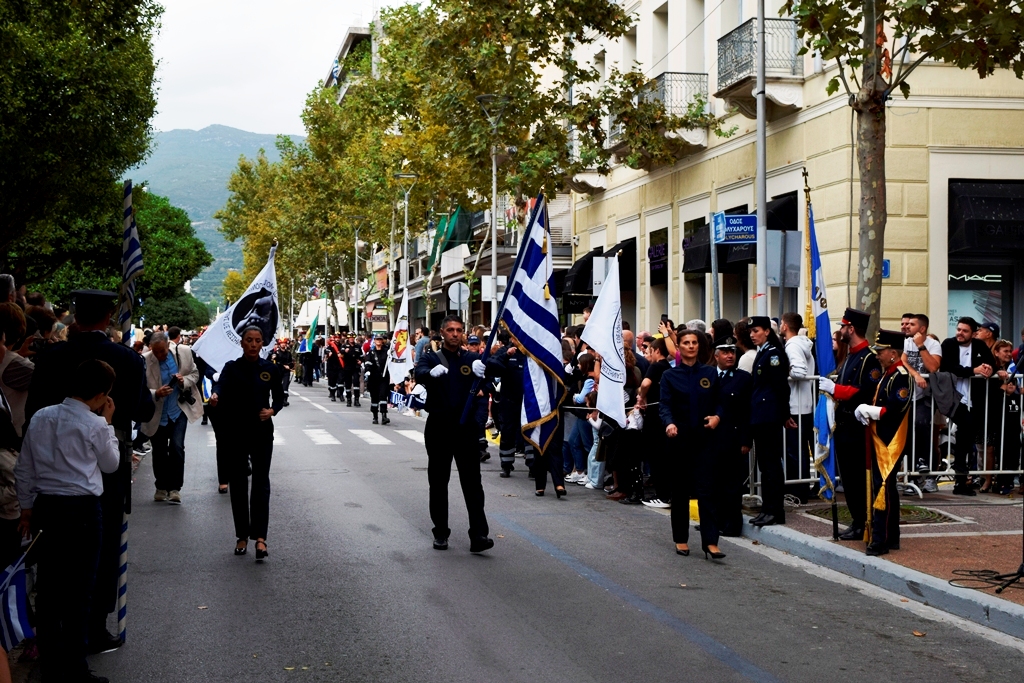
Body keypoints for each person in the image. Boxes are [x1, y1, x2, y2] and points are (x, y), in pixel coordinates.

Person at [25, 289, 154, 655]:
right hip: (105, 465)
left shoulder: (53, 356)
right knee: (101, 550)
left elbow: (33, 409)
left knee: (54, 561)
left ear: (77, 315)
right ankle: (93, 628)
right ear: (110, 315)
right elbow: (143, 411)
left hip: (51, 468)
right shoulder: (126, 359)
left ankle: (55, 632)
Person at [16, 359, 120, 683]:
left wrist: (26, 508)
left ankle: (50, 666)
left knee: (48, 591)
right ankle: (76, 668)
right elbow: (111, 464)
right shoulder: (96, 424)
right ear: (102, 395)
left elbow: (24, 468)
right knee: (79, 592)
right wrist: (109, 423)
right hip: (83, 511)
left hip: (47, 507)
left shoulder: (41, 416)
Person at [414, 315, 493, 553]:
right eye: (450, 330)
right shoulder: (431, 357)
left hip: (465, 427)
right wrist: (430, 374)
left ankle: (478, 535)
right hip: (439, 426)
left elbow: (487, 384)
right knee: (438, 481)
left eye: (459, 330)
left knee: (472, 483)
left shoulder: (471, 358)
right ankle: (440, 533)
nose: (455, 334)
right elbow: (419, 374)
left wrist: (485, 373)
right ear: (442, 332)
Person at [209, 326, 285, 561]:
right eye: (249, 340)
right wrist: (215, 395)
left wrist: (272, 410)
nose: (253, 344)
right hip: (236, 432)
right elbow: (219, 386)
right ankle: (242, 535)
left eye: (257, 341)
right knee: (239, 484)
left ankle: (260, 538)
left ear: (263, 344)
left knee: (261, 483)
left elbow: (280, 397)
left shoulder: (270, 369)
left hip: (262, 432)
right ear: (241, 343)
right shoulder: (232, 368)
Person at [659, 328, 725, 559]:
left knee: (707, 490)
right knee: (680, 491)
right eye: (686, 342)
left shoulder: (710, 373)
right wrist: (669, 423)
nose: (690, 346)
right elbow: (664, 405)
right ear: (679, 347)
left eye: (694, 342)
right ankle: (681, 538)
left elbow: (720, 401)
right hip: (680, 439)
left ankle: (710, 541)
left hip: (705, 439)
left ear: (699, 346)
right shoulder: (669, 376)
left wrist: (717, 416)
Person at [818, 308, 881, 540]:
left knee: (858, 479)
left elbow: (866, 392)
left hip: (858, 428)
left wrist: (836, 389)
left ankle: (864, 522)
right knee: (849, 480)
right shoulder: (849, 355)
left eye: (843, 326)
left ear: (851, 329)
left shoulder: (869, 358)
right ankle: (856, 520)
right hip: (844, 425)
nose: (841, 330)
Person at [854, 329, 913, 556]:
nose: (877, 355)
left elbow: (894, 408)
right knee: (885, 489)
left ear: (893, 353)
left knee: (883, 490)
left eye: (881, 351)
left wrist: (871, 410)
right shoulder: (888, 373)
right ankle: (890, 536)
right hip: (881, 439)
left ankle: (881, 540)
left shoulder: (901, 375)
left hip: (891, 441)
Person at [140, 331, 202, 504]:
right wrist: (156, 393)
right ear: (151, 348)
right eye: (156, 352)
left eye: (163, 351)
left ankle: (175, 488)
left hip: (178, 410)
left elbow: (195, 374)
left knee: (176, 447)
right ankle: (161, 486)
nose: (160, 355)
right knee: (159, 450)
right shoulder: (144, 361)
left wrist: (184, 381)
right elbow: (141, 388)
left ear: (168, 346)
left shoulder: (183, 353)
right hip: (157, 413)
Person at [939, 317, 995, 495]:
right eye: (958, 329)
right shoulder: (948, 344)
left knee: (966, 439)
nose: (959, 333)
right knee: (964, 437)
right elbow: (948, 367)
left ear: (973, 333)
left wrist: (988, 369)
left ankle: (962, 481)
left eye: (964, 331)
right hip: (955, 399)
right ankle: (961, 481)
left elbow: (990, 363)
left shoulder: (979, 346)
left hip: (974, 400)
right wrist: (973, 370)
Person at [745, 316, 790, 527]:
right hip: (760, 415)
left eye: (756, 331)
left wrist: (784, 414)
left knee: (771, 466)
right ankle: (767, 508)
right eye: (751, 332)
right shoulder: (763, 353)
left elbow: (781, 386)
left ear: (767, 331)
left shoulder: (773, 354)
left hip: (769, 415)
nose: (752, 335)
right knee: (765, 465)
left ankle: (775, 510)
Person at [709, 338, 752, 536]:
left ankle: (732, 525)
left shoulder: (742, 378)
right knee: (713, 482)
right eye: (725, 352)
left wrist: (745, 439)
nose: (729, 355)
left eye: (732, 352)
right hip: (711, 438)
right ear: (716, 355)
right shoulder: (708, 375)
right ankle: (714, 522)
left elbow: (745, 411)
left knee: (732, 485)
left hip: (732, 437)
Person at [901, 313, 942, 492]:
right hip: (907, 396)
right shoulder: (906, 342)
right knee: (908, 433)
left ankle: (926, 469)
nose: (907, 326)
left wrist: (920, 346)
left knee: (922, 425)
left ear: (922, 328)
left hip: (925, 396)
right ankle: (913, 477)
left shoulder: (933, 344)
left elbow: (933, 367)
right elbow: (902, 361)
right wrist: (916, 374)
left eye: (912, 324)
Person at [780, 312, 815, 501]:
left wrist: (784, 371)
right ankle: (800, 487)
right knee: (798, 450)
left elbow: (800, 371)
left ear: (785, 325)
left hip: (796, 405)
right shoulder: (803, 343)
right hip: (804, 404)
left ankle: (798, 490)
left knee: (795, 451)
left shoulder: (792, 345)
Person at [637, 338, 671, 508]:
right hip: (665, 416)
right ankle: (665, 493)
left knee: (656, 457)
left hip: (654, 417)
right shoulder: (669, 367)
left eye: (649, 351)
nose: (647, 355)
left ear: (657, 351)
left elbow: (645, 383)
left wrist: (642, 396)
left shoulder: (656, 366)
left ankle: (662, 495)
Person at [362, 333, 390, 425]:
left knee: (383, 396)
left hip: (384, 377)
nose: (378, 341)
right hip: (373, 378)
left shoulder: (387, 351)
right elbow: (368, 362)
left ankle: (384, 416)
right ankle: (375, 416)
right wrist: (368, 370)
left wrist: (391, 355)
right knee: (374, 398)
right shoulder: (371, 352)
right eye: (377, 339)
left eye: (380, 339)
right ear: (374, 341)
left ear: (382, 341)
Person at [269, 339, 294, 406]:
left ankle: (285, 399)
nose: (283, 344)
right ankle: (278, 399)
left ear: (286, 344)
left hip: (286, 372)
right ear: (279, 344)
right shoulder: (276, 353)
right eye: (282, 343)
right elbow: (275, 361)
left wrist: (289, 366)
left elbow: (291, 362)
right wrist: (283, 365)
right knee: (278, 385)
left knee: (285, 385)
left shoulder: (288, 353)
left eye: (284, 343)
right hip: (278, 371)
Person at [323, 334, 343, 402]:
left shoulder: (342, 346)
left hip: (340, 366)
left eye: (338, 338)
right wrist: (329, 353)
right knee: (333, 382)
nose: (337, 339)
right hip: (332, 366)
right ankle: (333, 395)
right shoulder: (331, 346)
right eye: (336, 338)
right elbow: (326, 351)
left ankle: (341, 394)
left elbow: (344, 353)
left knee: (340, 381)